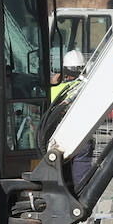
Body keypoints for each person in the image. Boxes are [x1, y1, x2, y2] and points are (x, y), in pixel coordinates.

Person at [49, 50, 94, 184]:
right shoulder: (88, 88)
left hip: (59, 140)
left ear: (64, 70)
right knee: (80, 180)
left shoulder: (55, 90)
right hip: (83, 138)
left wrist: (53, 83)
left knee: (60, 177)